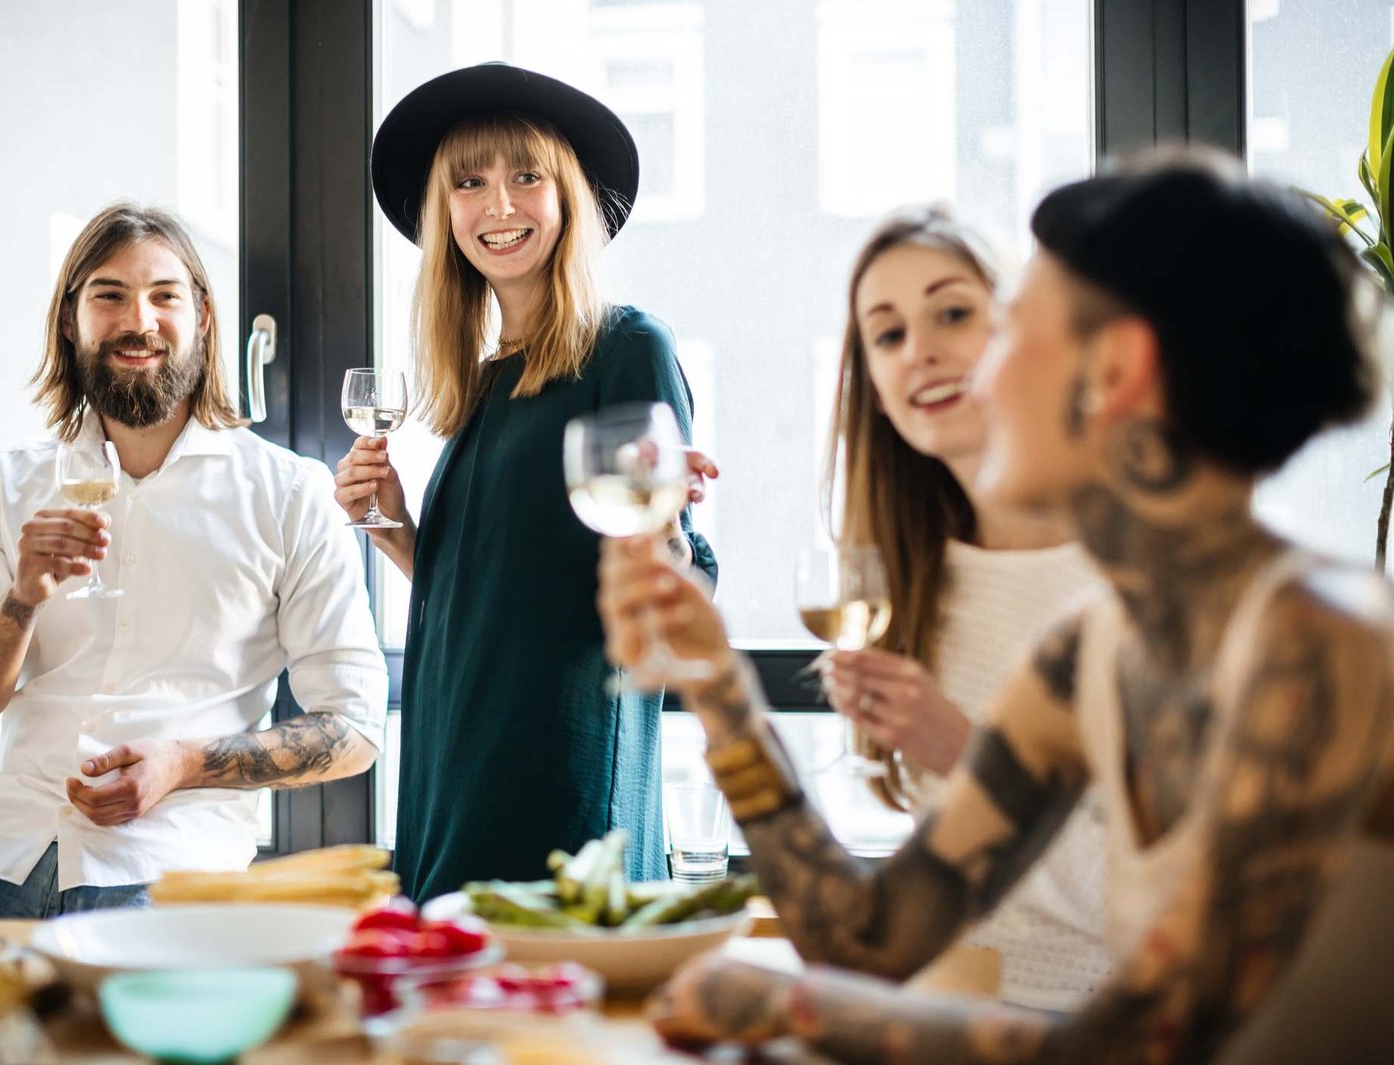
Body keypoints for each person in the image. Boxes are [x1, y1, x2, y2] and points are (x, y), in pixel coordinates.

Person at [596, 150, 1394, 1062]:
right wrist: (717, 686)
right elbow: (869, 938)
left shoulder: (1318, 636)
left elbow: (1149, 1041)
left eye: (1009, 329)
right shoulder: (1087, 651)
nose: (978, 374)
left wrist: (801, 1006)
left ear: (1118, 368)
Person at [0, 203, 387, 919]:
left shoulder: (289, 492)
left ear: (200, 316)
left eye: (164, 295)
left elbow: (354, 728)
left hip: (171, 865)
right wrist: (20, 602)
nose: (139, 320)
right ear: (71, 320)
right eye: (109, 295)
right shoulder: (4, 486)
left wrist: (185, 765)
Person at [337, 63, 716, 903]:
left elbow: (670, 583)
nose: (498, 206)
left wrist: (669, 532)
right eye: (469, 183)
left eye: (525, 176)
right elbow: (488, 589)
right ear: (445, 216)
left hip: (560, 766)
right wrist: (395, 524)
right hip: (454, 754)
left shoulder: (626, 349)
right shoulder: (484, 384)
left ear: (568, 197)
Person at [816, 206, 1112, 1008]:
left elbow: (1175, 888)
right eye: (888, 334)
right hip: (955, 1006)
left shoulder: (1127, 571)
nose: (922, 352)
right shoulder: (911, 580)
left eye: (953, 313)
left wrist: (970, 757)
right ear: (874, 390)